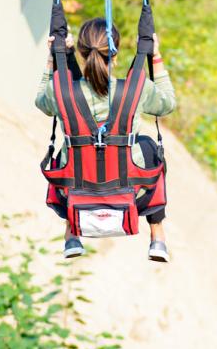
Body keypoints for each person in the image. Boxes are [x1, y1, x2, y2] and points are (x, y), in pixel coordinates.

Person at [36, 18, 176, 262]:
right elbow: (167, 103)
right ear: (116, 53)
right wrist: (155, 56)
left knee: (65, 151)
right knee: (149, 147)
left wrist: (54, 58)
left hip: (74, 192)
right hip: (134, 192)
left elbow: (43, 101)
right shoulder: (136, 89)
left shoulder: (62, 92)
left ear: (82, 52)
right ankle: (157, 235)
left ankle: (71, 232)